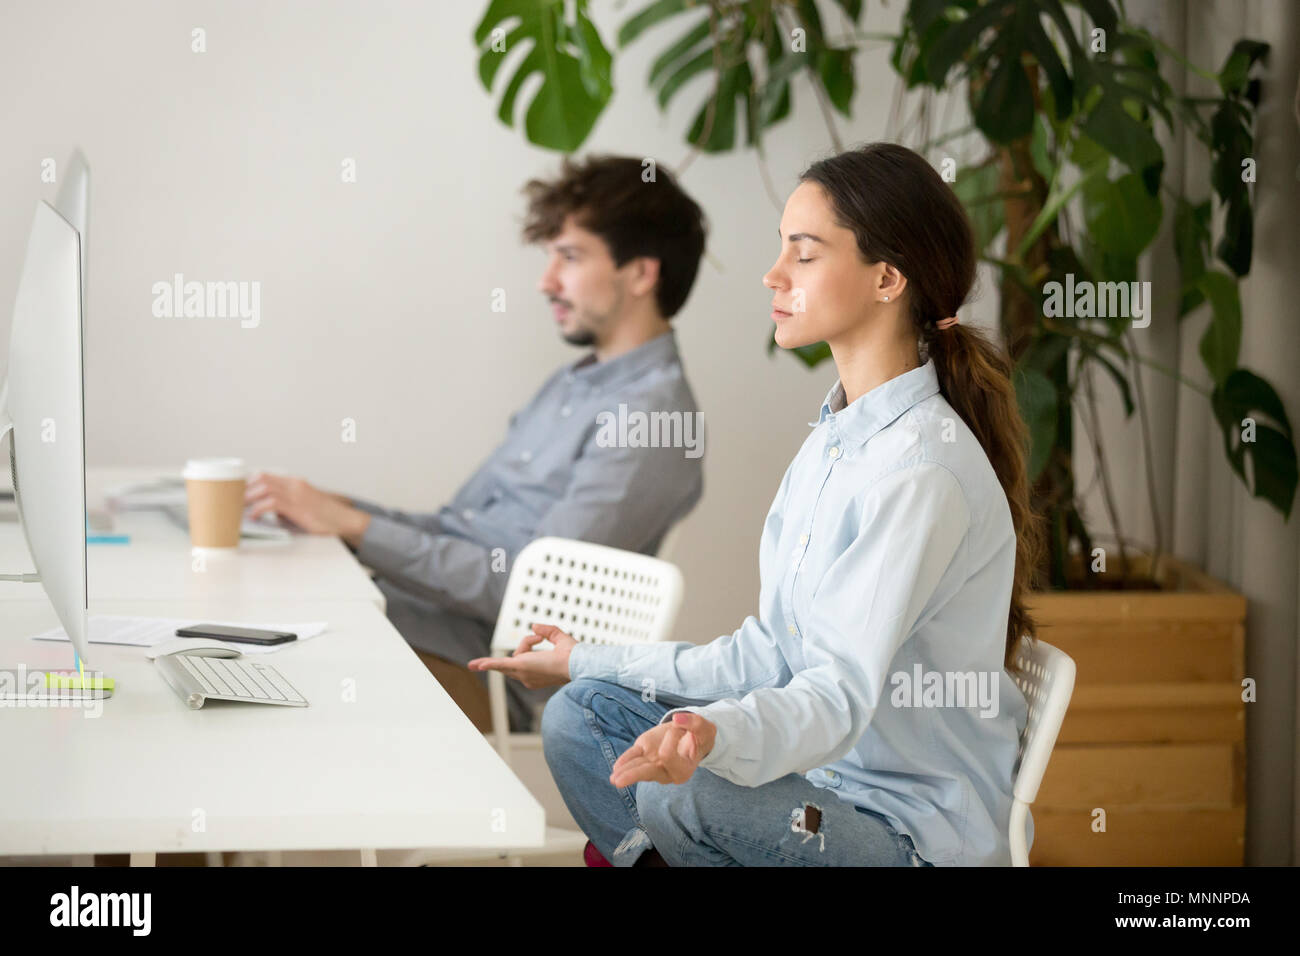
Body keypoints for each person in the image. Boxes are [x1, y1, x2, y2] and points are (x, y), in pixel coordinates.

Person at [469, 142, 1046, 866]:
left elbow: (835, 697)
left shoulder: (920, 471)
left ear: (887, 278)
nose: (773, 275)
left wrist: (715, 737)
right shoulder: (837, 438)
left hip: (901, 833)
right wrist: (584, 657)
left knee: (689, 792)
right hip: (817, 785)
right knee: (580, 714)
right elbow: (769, 654)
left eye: (804, 255)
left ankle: (660, 846)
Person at [244, 155, 708, 733]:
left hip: (489, 676)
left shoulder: (650, 421)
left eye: (569, 256)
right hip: (428, 625)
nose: (546, 282)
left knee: (280, 663)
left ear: (641, 274)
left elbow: (534, 600)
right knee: (253, 611)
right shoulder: (573, 384)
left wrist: (356, 529)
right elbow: (457, 526)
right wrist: (333, 510)